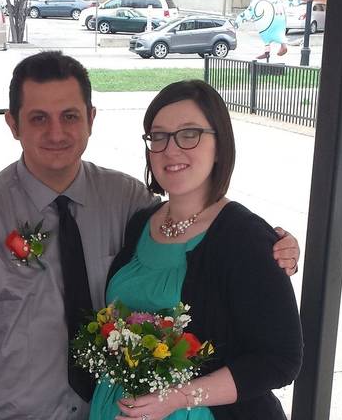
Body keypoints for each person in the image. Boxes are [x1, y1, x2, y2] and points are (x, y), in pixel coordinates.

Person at [0, 51, 300, 420]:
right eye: (38, 119)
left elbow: (278, 352)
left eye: (70, 116)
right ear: (13, 124)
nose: (56, 132)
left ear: (91, 119)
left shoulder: (125, 200)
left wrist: (275, 246)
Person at [91, 79, 303, 420]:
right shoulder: (141, 223)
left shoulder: (245, 237)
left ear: (219, 146)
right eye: (158, 136)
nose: (171, 150)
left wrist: (176, 398)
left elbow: (281, 359)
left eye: (189, 134)